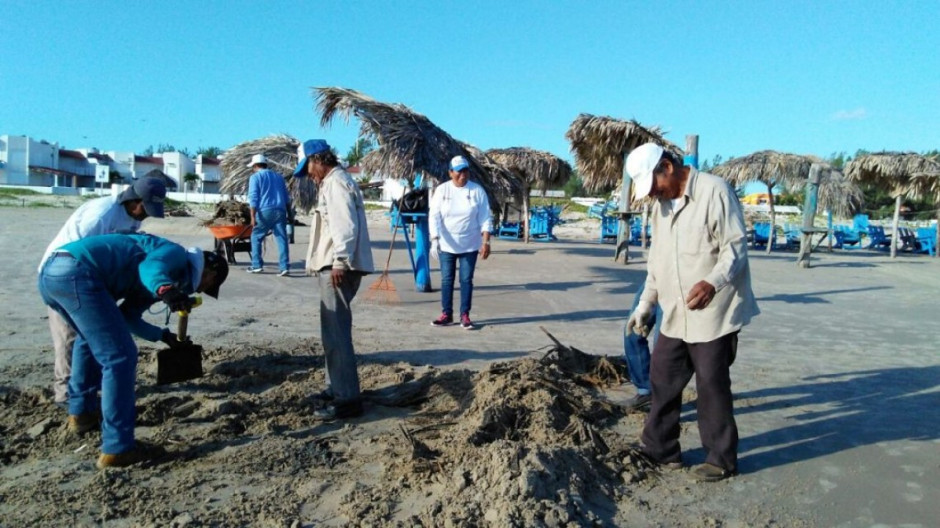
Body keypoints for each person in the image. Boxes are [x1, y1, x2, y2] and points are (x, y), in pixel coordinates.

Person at [625, 142, 759, 482]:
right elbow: (658, 261)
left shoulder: (715, 191)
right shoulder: (661, 206)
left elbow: (735, 246)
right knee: (663, 378)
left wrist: (713, 282)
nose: (653, 194)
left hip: (713, 312)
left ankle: (720, 459)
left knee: (712, 385)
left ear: (667, 167)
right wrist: (645, 304)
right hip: (674, 312)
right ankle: (660, 449)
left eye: (654, 185)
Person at [38, 233, 229, 468]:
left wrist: (164, 336)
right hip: (77, 272)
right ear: (210, 273)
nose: (202, 291)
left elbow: (127, 316)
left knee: (88, 339)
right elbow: (151, 266)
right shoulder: (175, 254)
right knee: (120, 357)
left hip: (55, 273)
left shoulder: (163, 279)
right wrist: (165, 289)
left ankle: (82, 414)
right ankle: (118, 449)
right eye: (209, 285)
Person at [37, 176, 167, 407]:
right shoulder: (101, 215)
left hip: (91, 280)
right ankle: (66, 395)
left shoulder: (131, 217)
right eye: (146, 208)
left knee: (92, 337)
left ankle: (86, 389)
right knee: (71, 336)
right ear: (134, 200)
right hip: (63, 277)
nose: (146, 214)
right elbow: (74, 254)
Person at [295, 139, 374, 420]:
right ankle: (336, 388)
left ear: (319, 159)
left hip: (337, 267)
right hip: (335, 265)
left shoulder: (336, 183)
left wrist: (340, 260)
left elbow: (345, 225)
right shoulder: (334, 181)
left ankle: (347, 399)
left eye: (308, 167)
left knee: (337, 334)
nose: (308, 174)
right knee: (332, 332)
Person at [428, 155, 493, 330]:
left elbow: (485, 219)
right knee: (447, 279)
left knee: (466, 279)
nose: (463, 175)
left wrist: (486, 242)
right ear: (450, 173)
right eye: (459, 171)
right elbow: (434, 216)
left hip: (470, 244)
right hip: (447, 244)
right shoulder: (442, 190)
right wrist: (434, 240)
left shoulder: (477, 191)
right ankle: (446, 314)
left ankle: (465, 314)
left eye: (465, 171)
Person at [246, 154, 291, 276]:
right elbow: (287, 198)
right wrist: (290, 214)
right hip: (280, 210)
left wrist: (252, 217)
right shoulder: (279, 177)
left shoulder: (255, 177)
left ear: (255, 166)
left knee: (256, 236)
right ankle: (284, 267)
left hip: (264, 211)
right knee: (281, 238)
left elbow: (253, 198)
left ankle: (256, 265)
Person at [622, 284, 662, 412]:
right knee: (632, 332)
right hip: (655, 280)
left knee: (662, 345)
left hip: (683, 285)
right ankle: (645, 390)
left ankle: (662, 400)